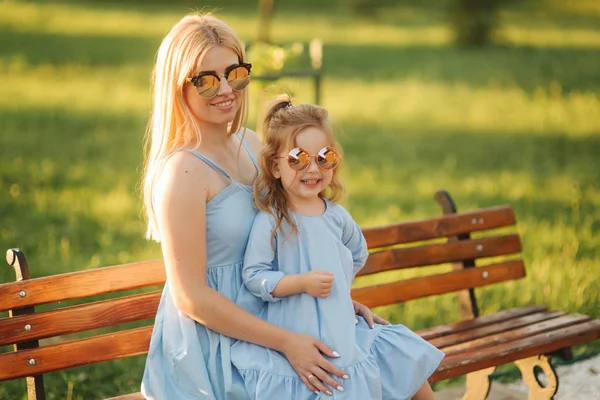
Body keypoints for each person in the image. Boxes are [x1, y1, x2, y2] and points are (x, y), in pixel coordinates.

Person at [140, 13, 387, 400]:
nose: (225, 89)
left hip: (277, 314)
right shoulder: (183, 171)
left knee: (384, 357)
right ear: (179, 88)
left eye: (234, 73)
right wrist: (288, 341)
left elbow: (289, 240)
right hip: (218, 345)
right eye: (206, 80)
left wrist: (335, 306)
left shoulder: (251, 144)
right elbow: (192, 297)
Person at [231, 96, 445, 400]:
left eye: (324, 157)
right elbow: (254, 276)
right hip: (296, 331)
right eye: (297, 158)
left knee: (400, 361)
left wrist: (341, 291)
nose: (313, 168)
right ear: (275, 167)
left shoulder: (336, 216)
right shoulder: (273, 220)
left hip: (340, 330)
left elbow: (358, 252)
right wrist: (300, 283)